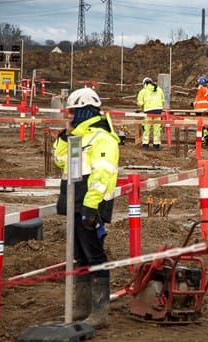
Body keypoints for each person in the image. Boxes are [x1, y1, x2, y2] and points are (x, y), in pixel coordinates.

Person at [53, 87, 120, 329]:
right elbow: (60, 160)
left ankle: (99, 313)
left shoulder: (102, 138)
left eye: (71, 112)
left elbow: (103, 175)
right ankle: (82, 307)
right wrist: (64, 136)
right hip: (75, 201)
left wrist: (91, 207)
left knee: (94, 255)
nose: (68, 116)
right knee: (79, 256)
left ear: (82, 111)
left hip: (90, 204)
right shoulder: (79, 136)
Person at [136, 77, 165, 150]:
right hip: (158, 111)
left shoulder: (143, 91)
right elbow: (163, 101)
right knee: (157, 128)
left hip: (148, 111)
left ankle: (145, 145)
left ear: (144, 83)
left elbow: (140, 103)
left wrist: (142, 108)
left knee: (146, 128)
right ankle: (156, 145)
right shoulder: (159, 89)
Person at [193, 76, 208, 146]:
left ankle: (201, 141)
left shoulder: (201, 88)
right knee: (202, 126)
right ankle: (207, 138)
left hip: (200, 109)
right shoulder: (205, 90)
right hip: (202, 109)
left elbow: (197, 90)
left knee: (200, 126)